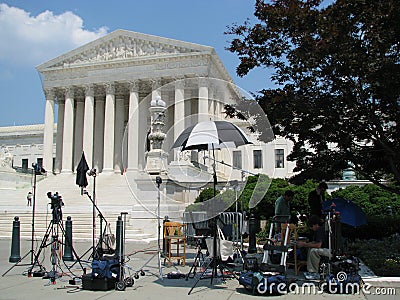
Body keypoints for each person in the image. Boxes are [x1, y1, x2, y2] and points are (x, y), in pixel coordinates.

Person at [296, 215, 330, 280]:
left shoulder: (320, 230)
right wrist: (306, 244)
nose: (311, 229)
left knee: (313, 251)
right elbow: (315, 242)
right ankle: (310, 271)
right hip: (327, 249)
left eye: (311, 227)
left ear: (315, 225)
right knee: (310, 248)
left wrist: (304, 245)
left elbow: (318, 245)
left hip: (330, 251)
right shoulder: (320, 229)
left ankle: (314, 273)